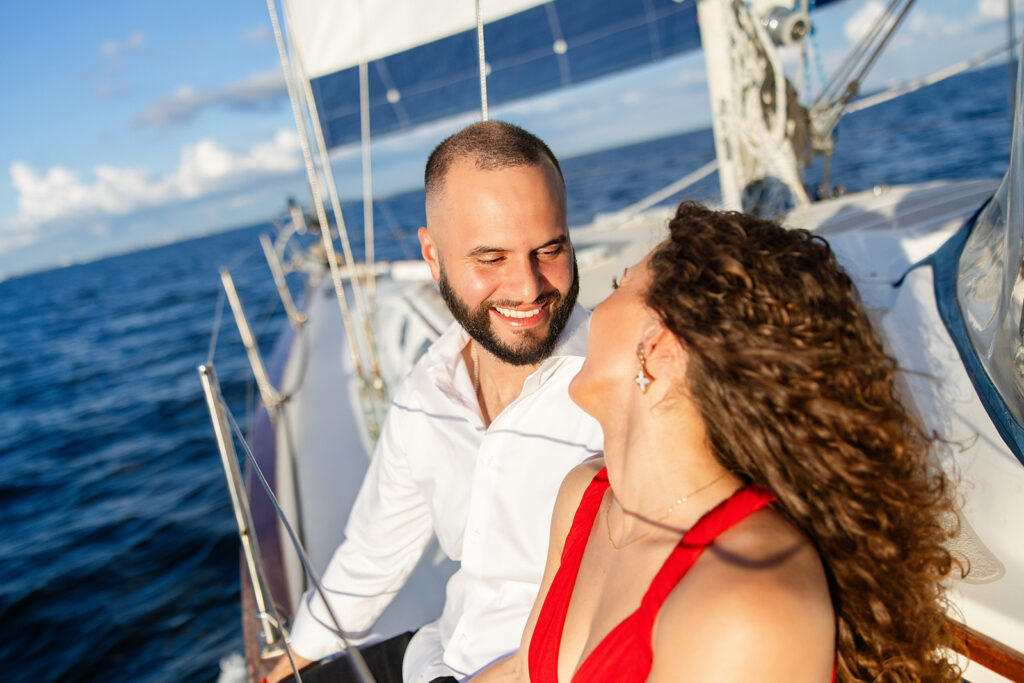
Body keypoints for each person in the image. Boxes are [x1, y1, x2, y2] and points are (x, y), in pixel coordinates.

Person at [474, 202, 960, 682]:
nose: (598, 306)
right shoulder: (586, 495)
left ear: (659, 350)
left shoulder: (750, 595)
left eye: (620, 286)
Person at [266, 121, 602, 683]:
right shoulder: (427, 392)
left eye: (550, 248)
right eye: (491, 258)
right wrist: (287, 665)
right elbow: (373, 555)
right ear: (433, 255)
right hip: (437, 654)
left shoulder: (621, 381)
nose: (527, 287)